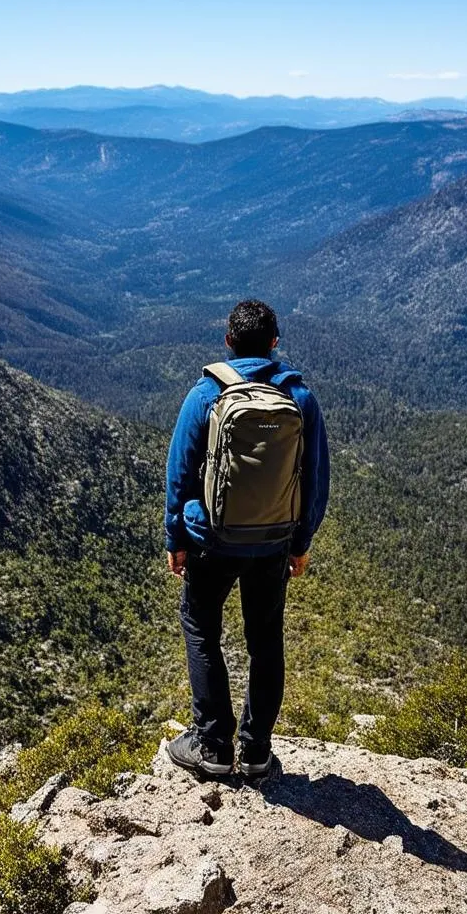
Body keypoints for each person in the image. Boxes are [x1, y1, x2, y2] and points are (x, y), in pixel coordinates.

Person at [164, 298, 330, 778]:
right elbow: (316, 480)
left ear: (228, 341)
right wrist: (301, 543)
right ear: (275, 344)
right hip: (274, 543)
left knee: (201, 629)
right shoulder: (300, 398)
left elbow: (179, 474)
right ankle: (256, 751)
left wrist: (176, 535)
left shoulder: (206, 394)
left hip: (211, 541)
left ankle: (213, 746)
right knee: (265, 641)